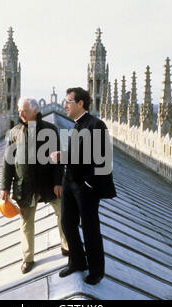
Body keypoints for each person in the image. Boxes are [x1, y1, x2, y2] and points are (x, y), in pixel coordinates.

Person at [51, 87, 116, 285]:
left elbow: (99, 158)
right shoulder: (76, 125)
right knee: (67, 223)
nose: (65, 105)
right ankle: (77, 262)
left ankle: (96, 271)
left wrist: (88, 183)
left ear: (80, 103)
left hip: (84, 185)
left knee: (90, 228)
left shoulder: (96, 125)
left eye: (68, 101)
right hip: (69, 182)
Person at [1, 97, 69, 274]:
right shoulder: (14, 132)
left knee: (64, 213)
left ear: (35, 111)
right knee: (26, 222)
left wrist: (57, 182)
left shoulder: (50, 130)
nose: (20, 114)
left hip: (48, 184)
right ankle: (28, 258)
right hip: (26, 185)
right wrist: (5, 188)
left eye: (24, 110)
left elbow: (58, 160)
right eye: (19, 110)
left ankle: (67, 246)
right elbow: (7, 163)